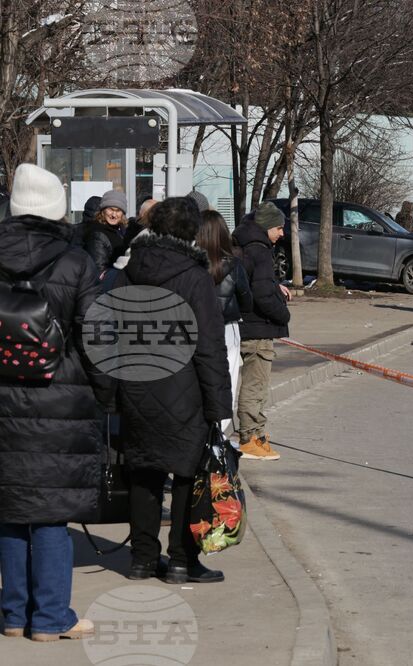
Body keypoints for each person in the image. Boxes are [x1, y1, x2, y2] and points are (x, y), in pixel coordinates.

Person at [0, 164, 111, 642]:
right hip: (61, 399)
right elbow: (96, 337)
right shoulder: (76, 262)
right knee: (50, 514)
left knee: (8, 509)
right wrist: (105, 396)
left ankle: (12, 614)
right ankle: (49, 618)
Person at [114, 197, 231, 585]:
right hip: (185, 391)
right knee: (186, 476)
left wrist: (109, 392)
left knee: (143, 473)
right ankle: (182, 560)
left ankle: (142, 560)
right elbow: (209, 345)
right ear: (191, 233)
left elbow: (106, 333)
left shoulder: (129, 269)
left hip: (135, 386)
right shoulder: (195, 276)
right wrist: (219, 405)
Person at [231, 202, 291, 461]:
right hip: (258, 328)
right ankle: (250, 438)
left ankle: (254, 435)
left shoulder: (243, 244)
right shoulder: (260, 251)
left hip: (242, 325)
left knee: (248, 384)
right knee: (255, 386)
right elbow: (263, 294)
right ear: (266, 226)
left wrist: (275, 287)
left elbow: (261, 284)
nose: (282, 234)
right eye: (279, 228)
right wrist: (283, 314)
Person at [198, 210, 253, 437]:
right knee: (226, 382)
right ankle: (218, 438)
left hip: (197, 328)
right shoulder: (234, 265)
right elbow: (247, 301)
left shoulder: (191, 264)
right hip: (227, 329)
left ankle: (201, 437)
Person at [82, 190, 129, 275]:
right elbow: (99, 271)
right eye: (110, 209)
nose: (114, 215)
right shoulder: (97, 234)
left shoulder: (122, 230)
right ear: (103, 211)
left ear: (123, 213)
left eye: (118, 210)